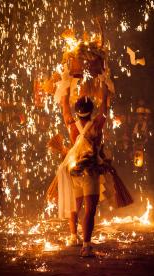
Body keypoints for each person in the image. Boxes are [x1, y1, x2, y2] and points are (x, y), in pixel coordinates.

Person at [58, 82, 108, 257]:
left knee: (75, 205)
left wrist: (65, 87)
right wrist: (106, 90)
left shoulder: (71, 125)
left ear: (77, 111)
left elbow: (65, 108)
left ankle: (73, 237)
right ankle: (86, 246)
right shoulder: (96, 125)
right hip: (90, 172)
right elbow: (104, 109)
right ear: (91, 110)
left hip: (74, 172)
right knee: (89, 210)